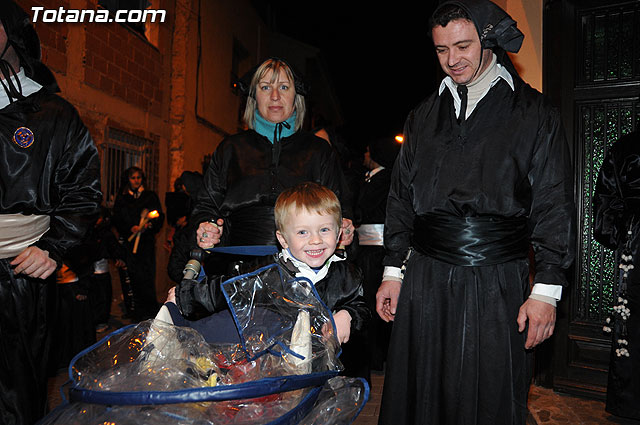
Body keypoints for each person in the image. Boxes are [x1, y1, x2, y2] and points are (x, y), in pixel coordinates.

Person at [375, 1, 575, 424]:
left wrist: (546, 292)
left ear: (489, 40)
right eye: (441, 49)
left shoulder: (536, 114)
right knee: (422, 394)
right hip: (425, 280)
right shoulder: (422, 116)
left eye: (462, 46)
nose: (452, 60)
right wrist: (393, 271)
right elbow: (399, 200)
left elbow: (554, 204)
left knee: (488, 397)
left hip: (496, 281)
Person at [0, 2, 102, 423]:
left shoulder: (52, 113)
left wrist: (53, 247)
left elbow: (82, 190)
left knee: (16, 397)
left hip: (19, 278)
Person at [173, 182, 370, 376]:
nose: (315, 240)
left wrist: (347, 314)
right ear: (283, 239)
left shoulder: (347, 274)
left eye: (324, 230)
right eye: (303, 232)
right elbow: (226, 289)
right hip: (270, 366)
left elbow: (360, 305)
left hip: (320, 370)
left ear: (338, 235)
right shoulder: (267, 270)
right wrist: (185, 295)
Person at [187, 58, 354, 276]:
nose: (275, 96)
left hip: (305, 268)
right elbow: (206, 206)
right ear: (254, 96)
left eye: (284, 87)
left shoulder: (319, 151)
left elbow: (340, 206)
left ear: (296, 97)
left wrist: (346, 226)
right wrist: (206, 226)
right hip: (236, 266)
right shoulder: (230, 148)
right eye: (266, 87)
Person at [593, 130, 640, 421]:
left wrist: (617, 233)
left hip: (635, 241)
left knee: (633, 323)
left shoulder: (625, 146)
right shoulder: (625, 147)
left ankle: (630, 404)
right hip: (636, 241)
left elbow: (605, 205)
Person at [354, 137, 400, 372]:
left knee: (375, 303)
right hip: (367, 249)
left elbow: (363, 208)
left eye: (368, 151)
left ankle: (377, 358)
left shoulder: (384, 179)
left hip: (376, 252)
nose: (365, 156)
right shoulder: (374, 178)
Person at [112, 166, 164, 321]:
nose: (136, 181)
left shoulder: (150, 196)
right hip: (130, 245)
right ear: (128, 180)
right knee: (133, 277)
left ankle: (149, 310)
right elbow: (117, 218)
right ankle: (135, 310)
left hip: (146, 244)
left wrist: (148, 226)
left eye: (139, 178)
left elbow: (158, 216)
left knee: (147, 276)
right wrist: (130, 228)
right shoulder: (122, 198)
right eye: (133, 178)